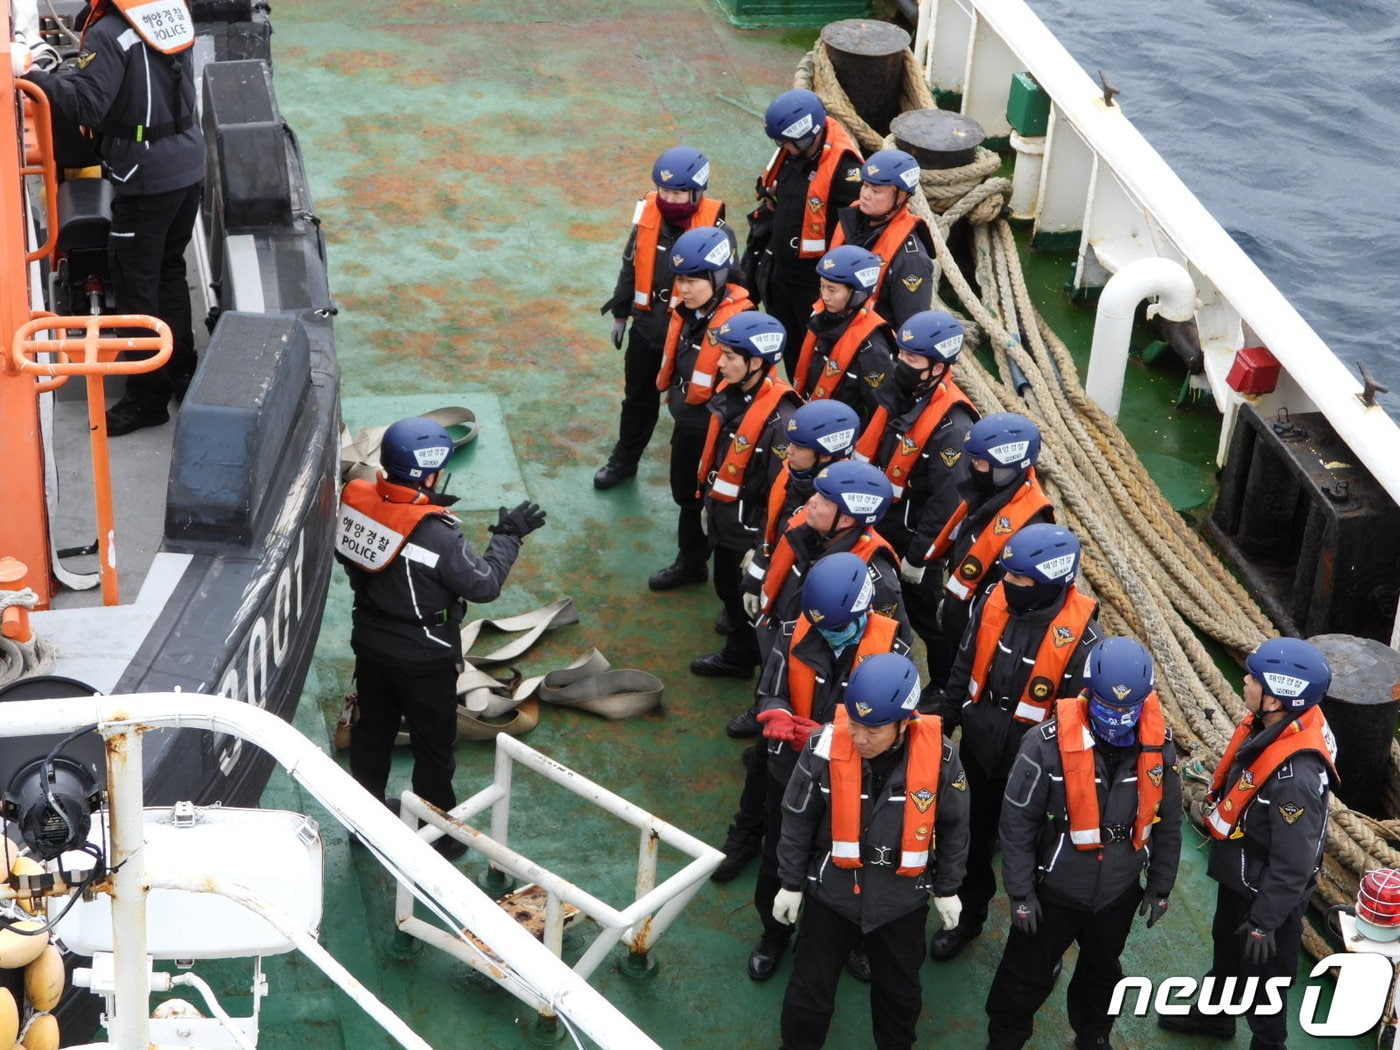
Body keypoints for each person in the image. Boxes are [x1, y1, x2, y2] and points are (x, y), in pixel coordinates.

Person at [334, 417, 545, 857]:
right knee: (434, 746)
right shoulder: (438, 533)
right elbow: (484, 585)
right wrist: (508, 537)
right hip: (424, 660)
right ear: (428, 474)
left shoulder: (356, 501)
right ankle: (440, 835)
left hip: (371, 645)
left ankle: (364, 823)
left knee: (372, 734)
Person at [986, 637, 1182, 1050]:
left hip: (1117, 894)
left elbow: (1167, 823)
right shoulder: (1044, 746)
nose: (1117, 717)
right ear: (1088, 692)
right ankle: (1005, 1038)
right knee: (1024, 974)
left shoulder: (1159, 749)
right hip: (1054, 891)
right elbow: (1017, 824)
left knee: (1101, 973)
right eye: (1108, 706)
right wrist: (1020, 893)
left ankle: (1093, 1035)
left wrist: (1161, 886)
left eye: (1127, 709)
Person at [23, 0, 205, 436]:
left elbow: (88, 106)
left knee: (134, 287)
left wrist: (34, 78)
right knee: (168, 271)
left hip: (145, 179)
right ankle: (183, 373)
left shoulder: (108, 32)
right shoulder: (169, 13)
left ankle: (147, 400)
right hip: (187, 165)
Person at [773, 652, 969, 1050]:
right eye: (856, 725)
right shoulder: (823, 747)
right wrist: (790, 883)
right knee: (808, 994)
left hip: (901, 901)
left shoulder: (942, 760)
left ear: (903, 723)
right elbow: (797, 818)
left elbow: (955, 826)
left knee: (899, 997)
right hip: (832, 894)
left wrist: (947, 888)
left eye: (873, 730)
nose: (859, 739)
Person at [931, 523, 1101, 960]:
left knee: (1037, 855)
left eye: (1019, 580)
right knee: (970, 834)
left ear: (1049, 583)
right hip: (979, 750)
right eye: (1007, 576)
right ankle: (970, 915)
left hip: (1034, 774)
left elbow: (1075, 728)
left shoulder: (1084, 643)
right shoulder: (993, 602)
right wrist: (944, 726)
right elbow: (963, 668)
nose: (1007, 585)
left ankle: (1038, 944)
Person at [741, 552, 914, 984]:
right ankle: (774, 933)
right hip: (790, 773)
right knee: (780, 850)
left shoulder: (892, 649)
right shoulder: (791, 634)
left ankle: (854, 941)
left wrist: (823, 734)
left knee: (853, 861)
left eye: (835, 627)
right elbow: (770, 692)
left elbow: (895, 719)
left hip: (856, 778)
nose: (827, 634)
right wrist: (777, 712)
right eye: (821, 625)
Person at [1159, 637, 1337, 1050]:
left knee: (1266, 985)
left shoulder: (1295, 780)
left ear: (1277, 699)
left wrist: (1264, 921)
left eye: (1254, 679)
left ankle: (1268, 1044)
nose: (1245, 681)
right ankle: (1217, 1015)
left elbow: (1295, 862)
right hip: (1241, 878)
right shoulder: (1274, 726)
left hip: (1267, 900)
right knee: (1226, 952)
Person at [853, 309, 978, 679]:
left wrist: (919, 557)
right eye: (901, 355)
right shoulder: (903, 395)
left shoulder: (952, 428)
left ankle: (940, 684)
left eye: (911, 358)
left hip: (914, 545)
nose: (900, 363)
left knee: (929, 622)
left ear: (938, 368)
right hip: (883, 526)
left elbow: (947, 501)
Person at [596, 146, 726, 490]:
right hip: (649, 329)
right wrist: (621, 313)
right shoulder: (647, 216)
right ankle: (625, 459)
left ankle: (700, 473)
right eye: (664, 190)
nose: (669, 199)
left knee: (692, 407)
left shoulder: (716, 232)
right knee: (637, 399)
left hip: (691, 337)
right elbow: (630, 265)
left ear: (697, 191)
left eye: (677, 192)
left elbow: (731, 286)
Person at [690, 310, 800, 680]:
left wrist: (761, 550)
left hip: (750, 536)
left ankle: (764, 687)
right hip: (726, 522)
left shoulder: (781, 423)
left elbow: (783, 495)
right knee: (727, 590)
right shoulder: (736, 397)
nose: (719, 363)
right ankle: (738, 656)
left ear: (756, 362)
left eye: (729, 357)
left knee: (759, 614)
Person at [648, 225, 751, 593]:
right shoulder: (689, 312)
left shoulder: (740, 325)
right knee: (687, 496)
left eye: (693, 281)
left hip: (720, 433)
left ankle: (735, 595)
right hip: (689, 424)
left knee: (721, 505)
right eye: (680, 280)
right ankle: (691, 562)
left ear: (718, 276)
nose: (684, 289)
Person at [918, 411, 1053, 685]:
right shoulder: (987, 496)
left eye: (980, 461)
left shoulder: (1029, 529)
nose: (972, 465)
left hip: (982, 638)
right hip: (960, 619)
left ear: (1004, 469)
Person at [744, 88, 863, 377]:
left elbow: (857, 236)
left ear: (806, 136)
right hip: (781, 272)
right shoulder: (790, 157)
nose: (782, 147)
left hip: (812, 282)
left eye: (786, 142)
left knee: (814, 359)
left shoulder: (847, 173)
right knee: (790, 350)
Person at [830, 149, 936, 328]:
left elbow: (910, 327)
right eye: (865, 186)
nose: (865, 195)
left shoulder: (911, 260)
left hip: (873, 348)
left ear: (900, 196)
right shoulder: (852, 221)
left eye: (876, 191)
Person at [791, 244, 897, 423]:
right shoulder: (821, 322)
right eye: (822, 287)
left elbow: (879, 411)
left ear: (856, 293)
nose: (824, 296)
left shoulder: (873, 349)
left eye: (832, 290)